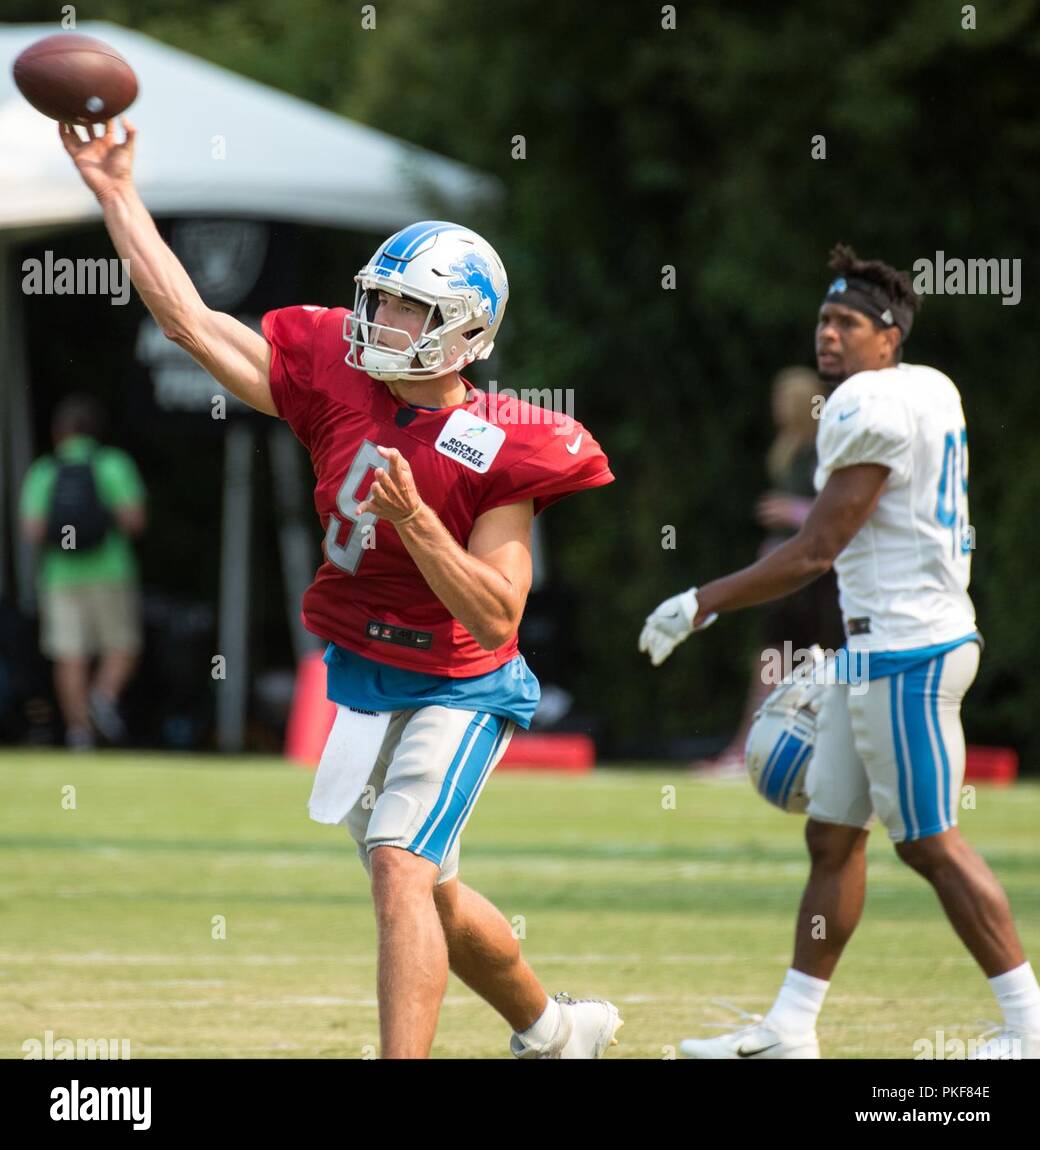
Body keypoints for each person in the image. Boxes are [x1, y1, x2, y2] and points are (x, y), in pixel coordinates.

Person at [60, 116, 622, 1061]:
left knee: (399, 869)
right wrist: (116, 191)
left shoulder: (504, 441)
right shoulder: (333, 376)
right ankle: (554, 1031)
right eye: (380, 301)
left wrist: (416, 522)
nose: (381, 323)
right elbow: (189, 322)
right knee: (432, 885)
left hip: (460, 680)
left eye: (409, 311)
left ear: (468, 334)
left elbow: (497, 611)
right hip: (362, 671)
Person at [640, 244, 1040, 1060]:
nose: (828, 335)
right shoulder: (928, 387)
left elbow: (816, 548)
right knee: (834, 838)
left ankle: (1029, 1029)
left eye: (849, 322)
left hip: (909, 650)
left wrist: (700, 603)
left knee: (929, 840)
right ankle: (791, 1027)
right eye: (823, 319)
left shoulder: (867, 405)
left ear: (888, 335)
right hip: (876, 645)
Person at [694, 367, 843, 777]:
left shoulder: (826, 448)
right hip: (789, 573)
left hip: (820, 575)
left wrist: (793, 513)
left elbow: (847, 513)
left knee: (819, 659)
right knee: (774, 658)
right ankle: (751, 747)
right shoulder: (791, 448)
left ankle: (793, 749)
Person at [19, 394, 146, 749]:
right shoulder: (113, 464)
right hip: (111, 571)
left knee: (69, 654)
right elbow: (134, 519)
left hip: (60, 577)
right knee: (122, 646)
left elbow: (30, 529)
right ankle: (103, 697)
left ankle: (78, 733)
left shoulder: (45, 470)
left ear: (59, 432)